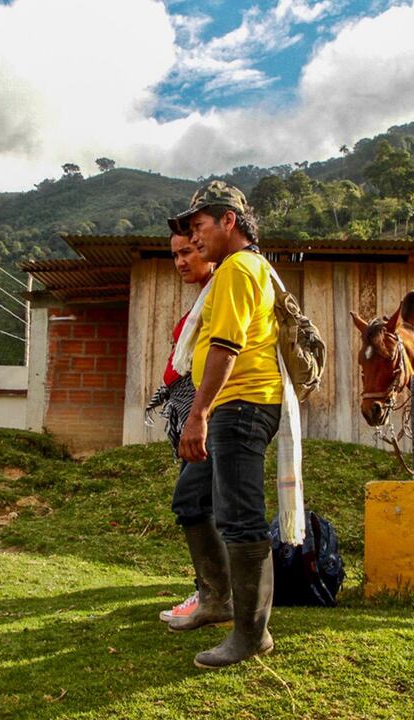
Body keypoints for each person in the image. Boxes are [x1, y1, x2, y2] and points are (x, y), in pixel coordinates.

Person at [167, 180, 282, 668]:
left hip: (240, 405)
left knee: (240, 517)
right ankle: (216, 600)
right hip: (228, 406)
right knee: (192, 499)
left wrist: (199, 412)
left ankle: (252, 634)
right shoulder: (237, 269)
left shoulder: (239, 268)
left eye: (199, 227)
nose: (194, 240)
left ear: (228, 221)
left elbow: (226, 346)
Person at [147, 231, 216, 626]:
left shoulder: (222, 293)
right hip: (192, 414)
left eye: (187, 252)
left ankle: (216, 595)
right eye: (174, 255)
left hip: (211, 415)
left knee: (196, 501)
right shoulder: (204, 298)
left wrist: (199, 414)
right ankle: (213, 593)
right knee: (204, 502)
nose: (180, 262)